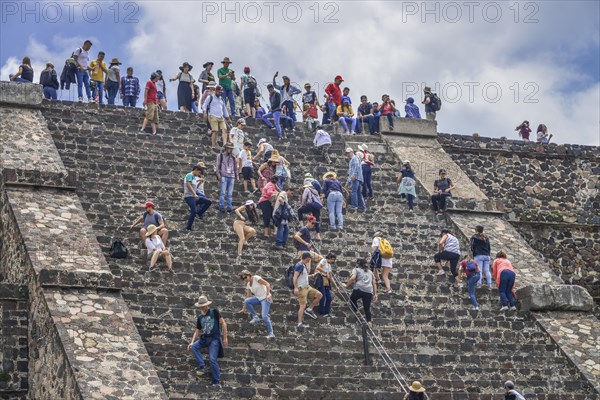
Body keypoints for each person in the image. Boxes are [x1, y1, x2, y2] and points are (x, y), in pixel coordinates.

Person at [188, 295, 228, 388]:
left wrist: (225, 338)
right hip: (205, 338)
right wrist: (192, 341)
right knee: (194, 347)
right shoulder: (200, 317)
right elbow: (197, 330)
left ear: (207, 305)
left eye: (204, 306)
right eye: (201, 306)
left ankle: (216, 382)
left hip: (215, 338)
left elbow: (223, 323)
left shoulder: (214, 312)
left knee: (212, 359)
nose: (203, 308)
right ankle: (202, 366)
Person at [239, 270, 274, 338]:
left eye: (245, 277)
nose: (245, 279)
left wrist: (268, 295)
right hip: (258, 298)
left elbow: (267, 284)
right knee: (247, 301)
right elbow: (248, 297)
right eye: (243, 279)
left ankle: (271, 333)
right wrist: (244, 308)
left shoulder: (256, 278)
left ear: (249, 275)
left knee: (264, 316)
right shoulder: (248, 284)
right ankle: (255, 317)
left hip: (265, 298)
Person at [293, 252, 323, 328]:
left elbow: (304, 276)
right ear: (307, 258)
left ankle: (309, 309)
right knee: (302, 305)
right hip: (301, 288)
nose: (310, 259)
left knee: (319, 295)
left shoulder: (303, 265)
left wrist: (313, 275)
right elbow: (295, 277)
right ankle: (299, 323)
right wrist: (296, 287)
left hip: (307, 287)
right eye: (310, 258)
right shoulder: (299, 265)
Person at [345, 259, 377, 324]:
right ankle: (369, 321)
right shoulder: (370, 272)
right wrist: (375, 294)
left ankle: (356, 311)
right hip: (368, 291)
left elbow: (352, 278)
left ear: (358, 264)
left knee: (352, 299)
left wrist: (346, 285)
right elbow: (374, 283)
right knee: (367, 308)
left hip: (359, 289)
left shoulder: (356, 270)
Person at [183, 165, 212, 230]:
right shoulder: (189, 175)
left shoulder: (194, 177)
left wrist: (199, 183)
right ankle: (189, 227)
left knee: (208, 202)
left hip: (194, 196)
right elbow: (188, 185)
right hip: (189, 196)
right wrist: (194, 194)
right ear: (195, 170)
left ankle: (199, 213)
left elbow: (195, 188)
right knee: (193, 210)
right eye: (199, 172)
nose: (199, 174)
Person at [215, 142, 238, 213]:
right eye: (229, 148)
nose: (230, 150)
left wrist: (237, 177)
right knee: (223, 193)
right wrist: (218, 175)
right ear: (226, 148)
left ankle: (229, 207)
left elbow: (235, 168)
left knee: (230, 194)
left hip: (231, 176)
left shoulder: (233, 158)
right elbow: (217, 166)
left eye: (231, 149)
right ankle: (221, 206)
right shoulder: (220, 156)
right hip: (224, 176)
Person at [345, 147, 366, 211]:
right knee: (358, 192)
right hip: (358, 178)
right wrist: (347, 183)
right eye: (347, 153)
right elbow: (351, 172)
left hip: (356, 178)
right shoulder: (352, 159)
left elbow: (356, 167)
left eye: (348, 153)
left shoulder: (354, 158)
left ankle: (354, 206)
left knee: (354, 192)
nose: (348, 154)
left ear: (352, 152)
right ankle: (362, 206)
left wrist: (354, 175)